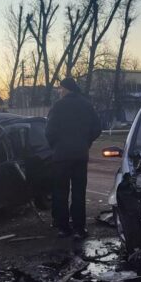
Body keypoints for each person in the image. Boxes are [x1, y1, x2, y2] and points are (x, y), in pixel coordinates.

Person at [45, 77, 101, 240]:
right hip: (80, 156)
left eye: (60, 89)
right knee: (78, 192)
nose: (59, 92)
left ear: (66, 89)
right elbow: (97, 128)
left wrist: (55, 146)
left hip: (61, 156)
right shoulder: (86, 106)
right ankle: (79, 228)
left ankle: (63, 227)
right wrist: (86, 142)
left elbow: (49, 131)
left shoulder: (58, 106)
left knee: (60, 192)